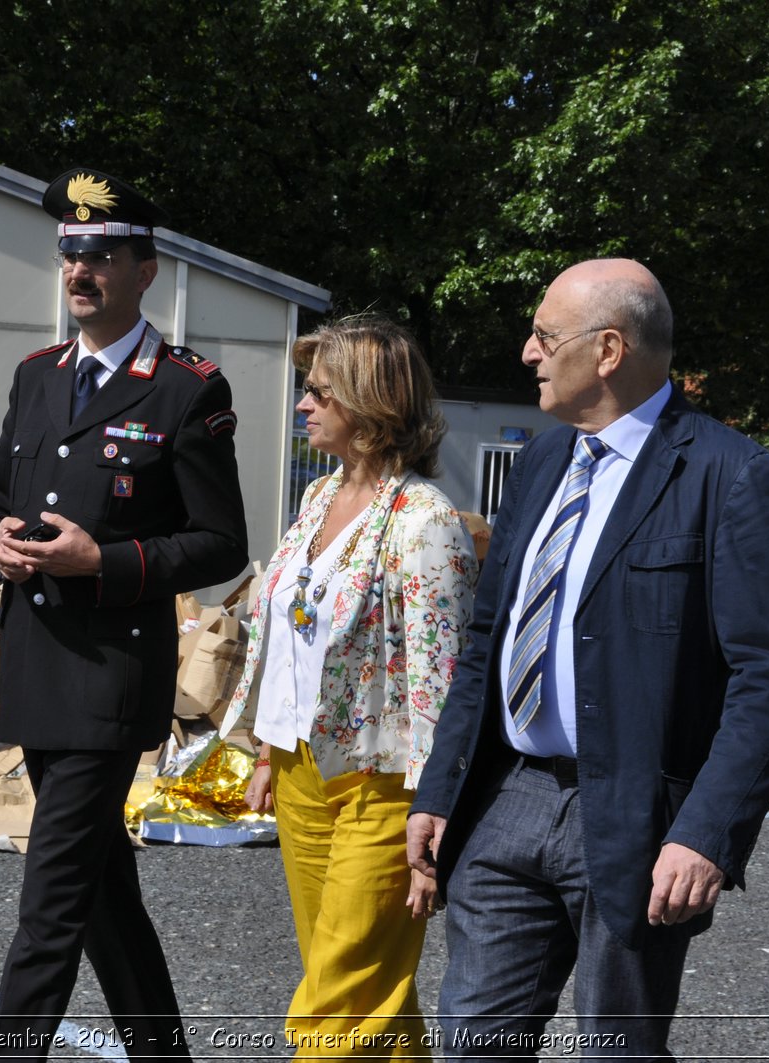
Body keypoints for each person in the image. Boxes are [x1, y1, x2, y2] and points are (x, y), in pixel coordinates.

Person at [406, 258, 769, 1060]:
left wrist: (707, 832)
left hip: (634, 818)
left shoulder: (729, 475)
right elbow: (486, 641)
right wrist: (442, 786)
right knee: (473, 1043)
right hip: (507, 800)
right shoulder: (542, 465)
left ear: (609, 350)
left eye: (543, 335)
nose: (527, 352)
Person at [0, 167, 248, 1061]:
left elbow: (218, 543)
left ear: (145, 270)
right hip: (35, 667)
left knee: (49, 903)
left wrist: (107, 561)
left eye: (101, 254)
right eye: (70, 253)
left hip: (108, 678)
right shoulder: (37, 376)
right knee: (100, 895)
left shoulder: (185, 388)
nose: (80, 270)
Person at [219, 315, 478, 1059]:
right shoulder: (318, 498)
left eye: (319, 392)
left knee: (336, 1000)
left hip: (385, 782)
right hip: (303, 767)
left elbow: (443, 678)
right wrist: (270, 750)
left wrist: (437, 809)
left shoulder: (425, 520)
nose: (304, 405)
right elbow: (296, 637)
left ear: (371, 403)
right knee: (369, 997)